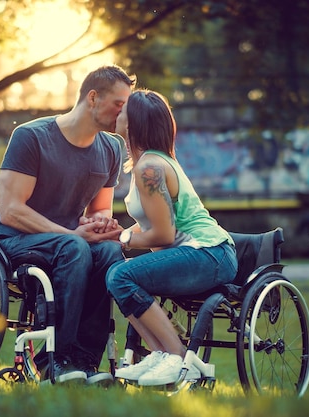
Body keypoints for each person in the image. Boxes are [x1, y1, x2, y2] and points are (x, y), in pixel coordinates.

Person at [0, 65, 135, 385]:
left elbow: (99, 209)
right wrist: (73, 234)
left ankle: (85, 361)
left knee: (110, 252)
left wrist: (101, 225)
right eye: (119, 105)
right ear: (93, 98)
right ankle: (57, 359)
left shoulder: (110, 148)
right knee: (75, 247)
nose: (125, 114)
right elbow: (11, 211)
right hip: (15, 240)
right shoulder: (31, 137)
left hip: (70, 244)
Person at [106, 89, 238, 386]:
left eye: (123, 108)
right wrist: (118, 233)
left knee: (120, 275)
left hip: (209, 253)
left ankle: (179, 358)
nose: (117, 112)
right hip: (203, 253)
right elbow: (160, 224)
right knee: (115, 273)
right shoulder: (150, 162)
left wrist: (123, 241)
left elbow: (164, 234)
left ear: (135, 122)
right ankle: (162, 354)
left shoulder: (150, 167)